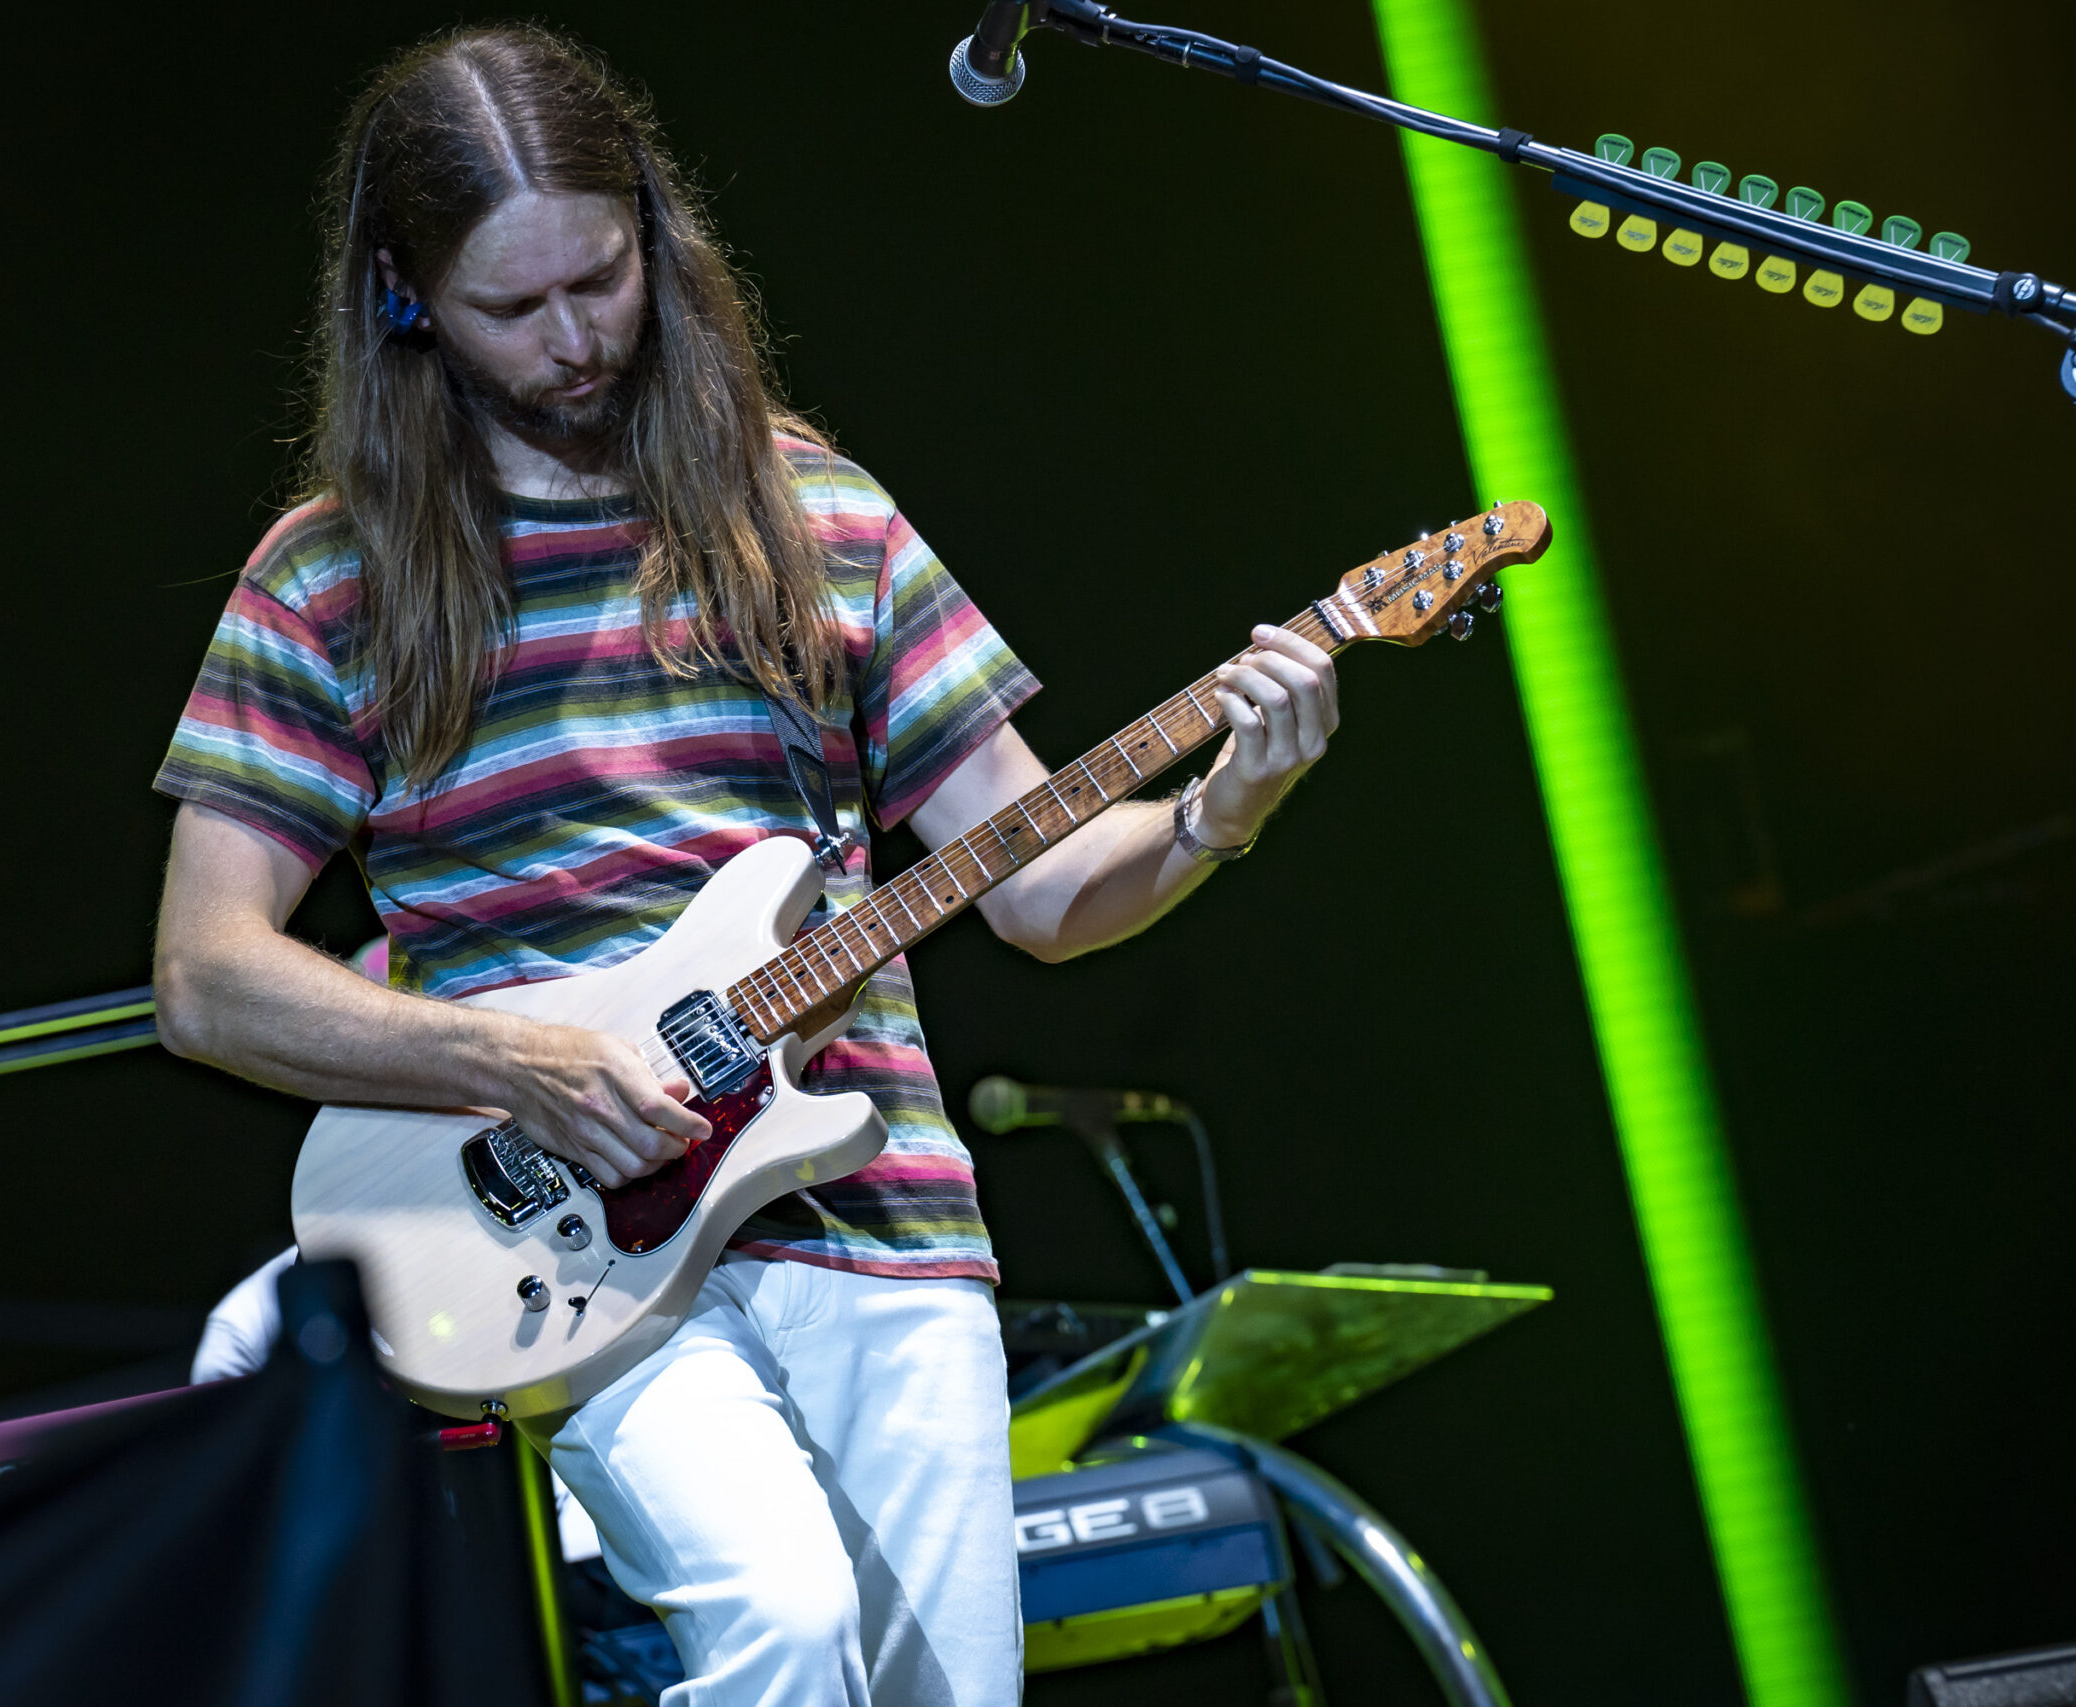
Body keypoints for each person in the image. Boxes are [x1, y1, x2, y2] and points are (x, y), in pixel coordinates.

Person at [149, 25, 1339, 1705]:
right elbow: (207, 976)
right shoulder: (329, 579)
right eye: (513, 306)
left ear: (654, 231)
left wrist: (1224, 811)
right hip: (571, 1235)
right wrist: (511, 1057)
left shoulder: (817, 514)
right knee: (779, 1619)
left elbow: (1037, 890)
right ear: (405, 296)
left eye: (602, 278)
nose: (575, 338)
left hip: (877, 1203)